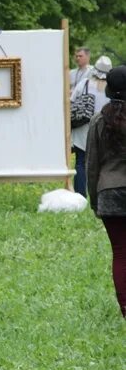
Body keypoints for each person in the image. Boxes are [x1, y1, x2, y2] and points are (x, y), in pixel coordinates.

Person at [86, 65, 126, 318]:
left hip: (109, 192)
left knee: (121, 253)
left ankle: (125, 308)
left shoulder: (99, 120)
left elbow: (92, 165)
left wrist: (94, 200)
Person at [72, 56, 112, 196]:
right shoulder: (112, 88)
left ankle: (80, 195)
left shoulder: (85, 83)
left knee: (81, 163)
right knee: (103, 164)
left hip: (83, 128)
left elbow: (72, 101)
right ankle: (100, 194)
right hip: (104, 129)